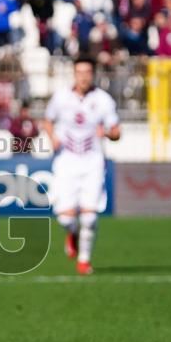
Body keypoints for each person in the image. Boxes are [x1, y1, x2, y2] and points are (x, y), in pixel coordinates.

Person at [43, 56, 120, 276]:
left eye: (87, 72)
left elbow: (116, 132)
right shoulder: (61, 97)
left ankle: (84, 260)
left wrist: (105, 132)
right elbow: (48, 120)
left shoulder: (103, 100)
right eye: (80, 72)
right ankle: (72, 233)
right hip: (66, 161)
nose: (84, 76)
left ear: (93, 74)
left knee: (90, 216)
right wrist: (52, 138)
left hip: (92, 162)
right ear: (74, 74)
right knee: (66, 218)